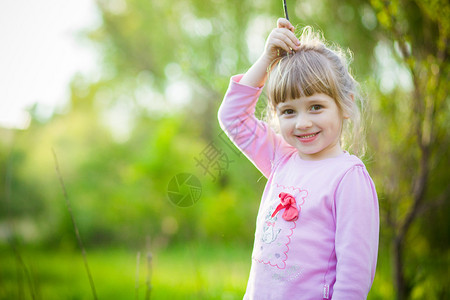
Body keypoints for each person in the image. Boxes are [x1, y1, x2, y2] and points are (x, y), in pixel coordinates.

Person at [218, 18, 379, 299]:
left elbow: (354, 278)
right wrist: (266, 59)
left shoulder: (347, 177)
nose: (302, 123)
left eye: (316, 107)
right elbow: (232, 117)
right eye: (289, 111)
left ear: (345, 105)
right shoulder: (281, 158)